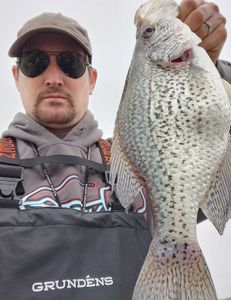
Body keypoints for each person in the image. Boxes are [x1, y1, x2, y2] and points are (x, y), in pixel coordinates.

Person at [0, 0, 230, 299]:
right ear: (17, 77)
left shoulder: (139, 163)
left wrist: (213, 75)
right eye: (35, 62)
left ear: (91, 79)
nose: (53, 78)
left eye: (70, 62)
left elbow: (205, 148)